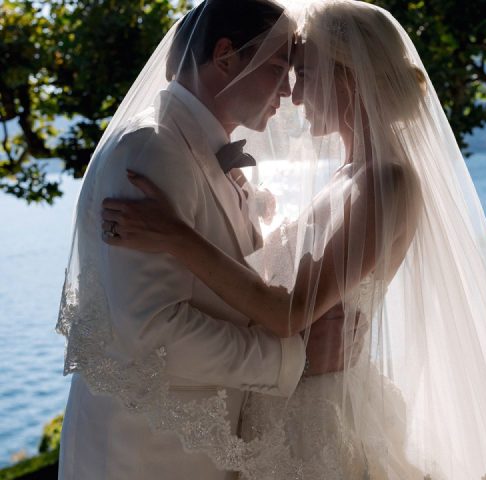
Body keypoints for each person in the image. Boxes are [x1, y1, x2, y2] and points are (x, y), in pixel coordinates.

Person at [99, 1, 486, 479]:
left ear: (349, 79)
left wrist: (178, 237)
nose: (292, 95)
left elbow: (288, 313)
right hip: (282, 411)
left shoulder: (388, 183)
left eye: (305, 74)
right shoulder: (347, 176)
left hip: (321, 420)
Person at [56, 1, 352, 479]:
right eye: (278, 68)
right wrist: (290, 357)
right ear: (225, 55)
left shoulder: (197, 147)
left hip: (197, 448)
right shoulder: (151, 150)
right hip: (144, 455)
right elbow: (152, 331)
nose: (289, 90)